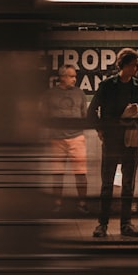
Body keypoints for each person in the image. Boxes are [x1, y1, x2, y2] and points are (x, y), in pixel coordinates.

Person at [86, 47, 138, 238]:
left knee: (128, 184)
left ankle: (126, 224)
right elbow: (91, 111)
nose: (137, 69)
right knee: (107, 184)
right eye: (133, 65)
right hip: (112, 140)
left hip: (131, 141)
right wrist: (100, 130)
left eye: (137, 65)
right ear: (123, 65)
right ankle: (102, 224)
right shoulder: (107, 86)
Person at [41, 62, 90, 214]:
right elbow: (43, 115)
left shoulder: (80, 93)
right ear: (62, 77)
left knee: (81, 173)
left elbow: (84, 115)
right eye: (71, 76)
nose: (75, 79)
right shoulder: (50, 94)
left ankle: (82, 204)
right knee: (57, 173)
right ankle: (57, 204)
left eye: (75, 76)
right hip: (57, 139)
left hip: (77, 138)